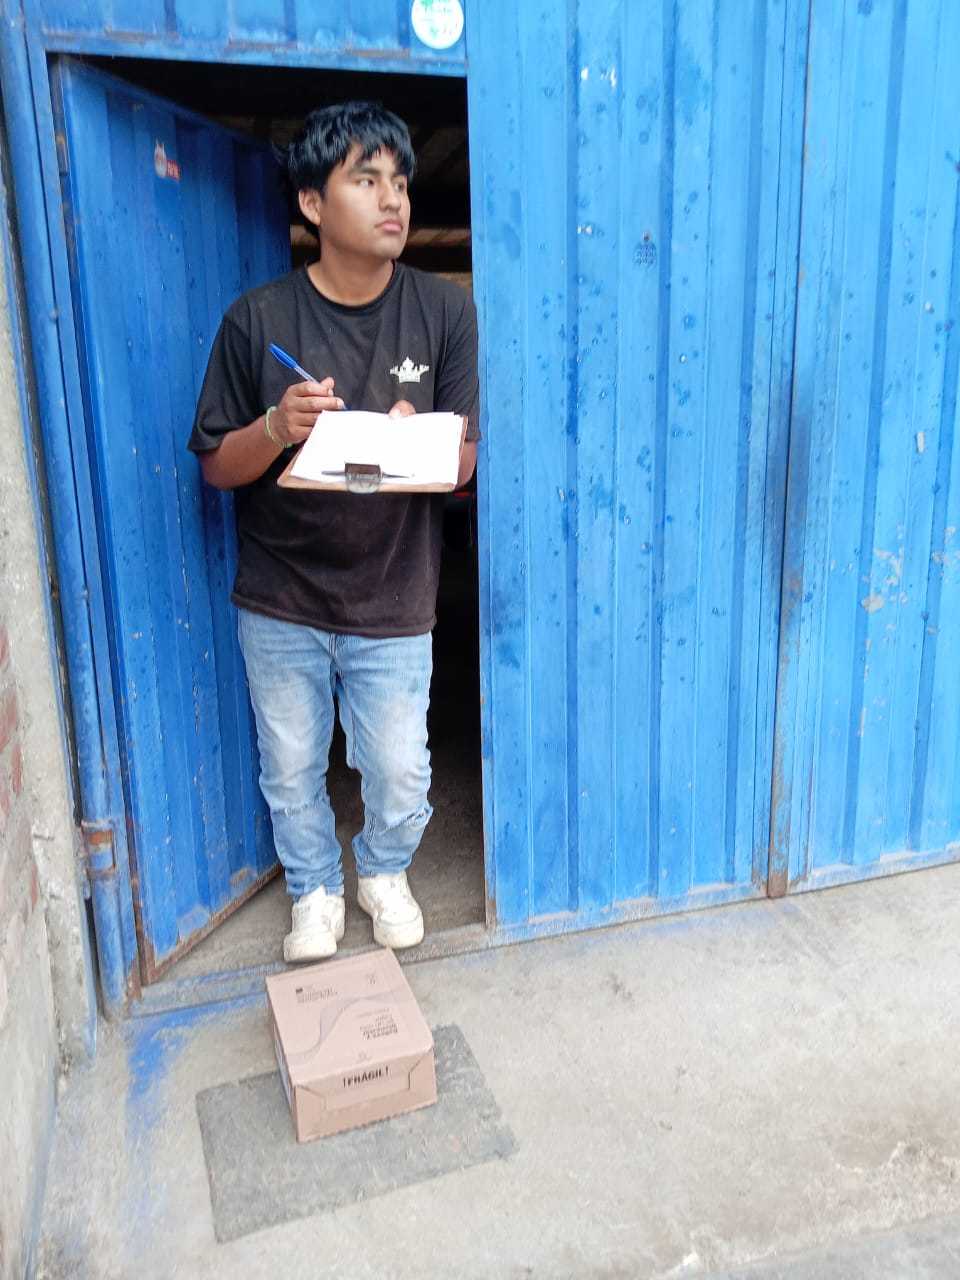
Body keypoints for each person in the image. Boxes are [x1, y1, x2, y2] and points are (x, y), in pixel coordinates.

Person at [188, 101, 479, 963]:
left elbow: (464, 461)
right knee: (290, 768)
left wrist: (412, 441)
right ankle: (314, 888)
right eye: (367, 180)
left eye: (402, 183)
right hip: (281, 595)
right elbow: (216, 465)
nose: (394, 200)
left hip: (393, 592)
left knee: (400, 772)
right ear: (313, 203)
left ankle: (382, 868)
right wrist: (277, 427)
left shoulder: (444, 312)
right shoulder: (257, 321)